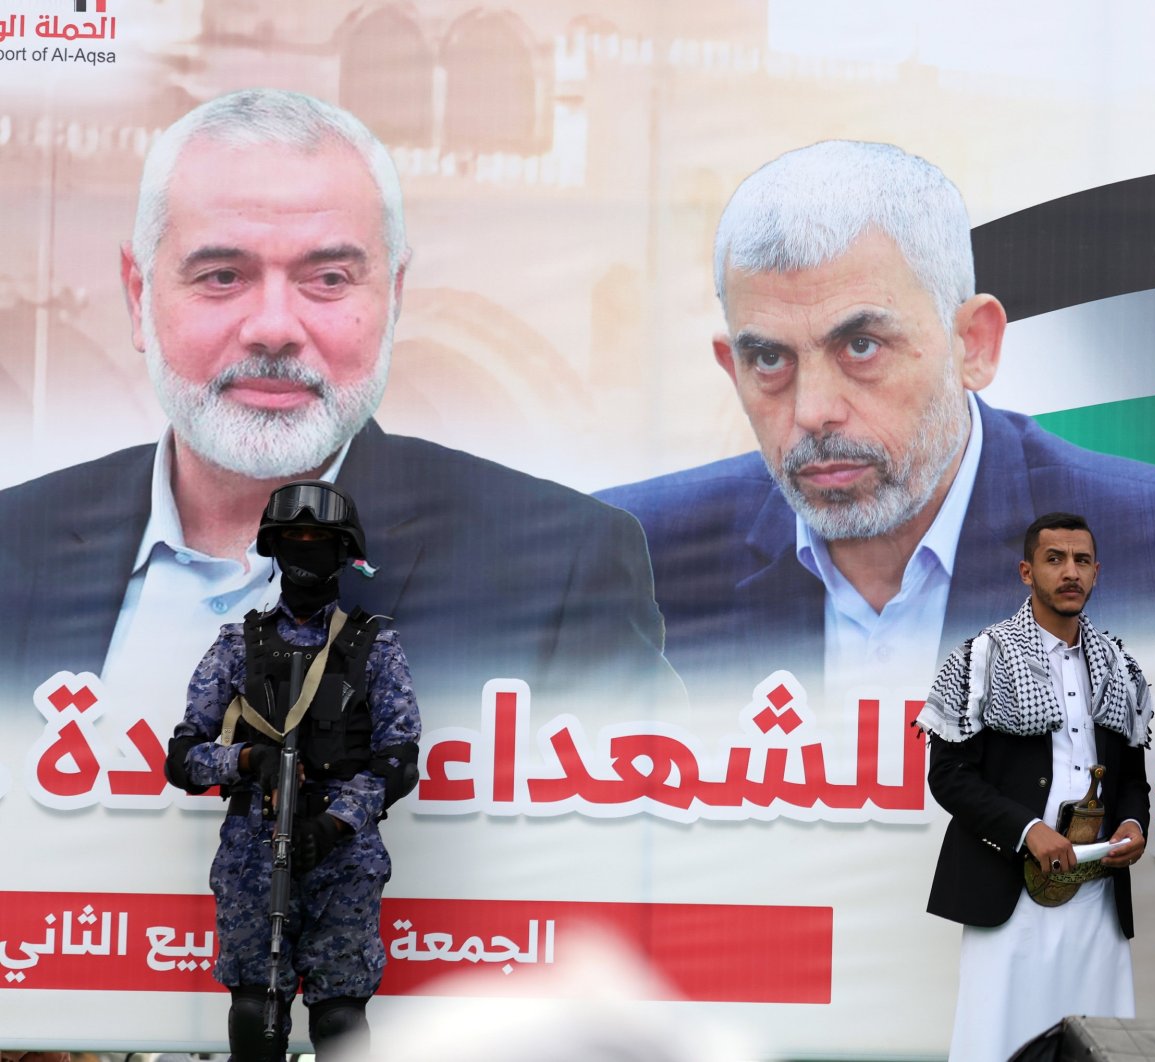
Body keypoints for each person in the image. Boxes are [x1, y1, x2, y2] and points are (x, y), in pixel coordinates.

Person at [0, 88, 677, 726]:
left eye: (327, 279)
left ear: (394, 296)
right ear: (138, 295)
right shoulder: (13, 546)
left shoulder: (560, 573)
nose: (273, 327)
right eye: (222, 276)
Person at [598, 140, 1155, 706]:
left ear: (974, 345)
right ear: (729, 365)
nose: (812, 411)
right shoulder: (631, 554)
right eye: (768, 358)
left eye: (860, 347)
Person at [165, 480, 421, 1060]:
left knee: (339, 1013)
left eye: (318, 540)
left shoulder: (375, 645)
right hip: (253, 850)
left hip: (343, 854)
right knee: (256, 1006)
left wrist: (333, 825)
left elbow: (399, 760)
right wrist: (247, 760)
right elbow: (183, 758)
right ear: (273, 551)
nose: (305, 550)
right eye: (293, 539)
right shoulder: (237, 645)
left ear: (343, 553)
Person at [918, 513, 1151, 1061]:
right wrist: (1027, 831)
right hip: (1009, 887)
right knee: (1000, 1039)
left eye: (1081, 560)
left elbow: (1133, 777)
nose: (1070, 572)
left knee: (1097, 1042)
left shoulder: (1119, 665)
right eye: (1055, 559)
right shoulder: (980, 659)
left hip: (1096, 891)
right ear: (1027, 571)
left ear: (1096, 572)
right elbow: (948, 774)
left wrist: (1133, 825)